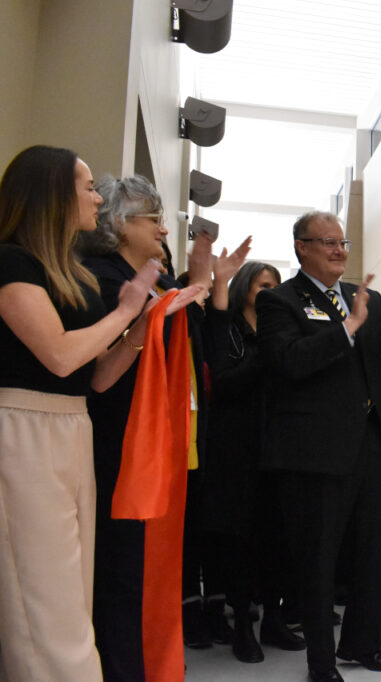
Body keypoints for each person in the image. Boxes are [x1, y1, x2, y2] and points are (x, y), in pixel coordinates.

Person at [0, 146, 196, 682]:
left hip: (70, 427)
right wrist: (134, 308)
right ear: (51, 194)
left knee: (72, 585)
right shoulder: (11, 262)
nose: (94, 197)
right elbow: (60, 355)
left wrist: (146, 319)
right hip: (25, 429)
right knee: (44, 595)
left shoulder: (64, 270)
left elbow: (99, 375)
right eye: (86, 186)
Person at [76, 173, 217, 681]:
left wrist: (191, 289)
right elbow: (102, 372)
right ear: (117, 224)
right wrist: (178, 296)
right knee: (122, 572)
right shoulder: (99, 278)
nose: (162, 230)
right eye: (153, 219)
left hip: (152, 442)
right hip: (119, 445)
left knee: (146, 569)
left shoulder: (150, 281)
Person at [256, 211, 381, 682]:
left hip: (373, 443)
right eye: (328, 242)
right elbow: (289, 363)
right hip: (315, 451)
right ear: (301, 247)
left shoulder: (367, 296)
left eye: (342, 242)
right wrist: (347, 328)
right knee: (319, 560)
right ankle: (321, 664)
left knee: (372, 552)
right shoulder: (278, 301)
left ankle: (362, 645)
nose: (340, 250)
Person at [204, 260, 308, 663]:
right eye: (263, 284)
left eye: (276, 285)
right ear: (246, 286)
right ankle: (243, 626)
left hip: (280, 445)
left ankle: (274, 620)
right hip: (237, 448)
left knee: (279, 539)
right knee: (241, 541)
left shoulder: (283, 328)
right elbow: (225, 383)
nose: (270, 291)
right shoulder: (227, 328)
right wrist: (266, 354)